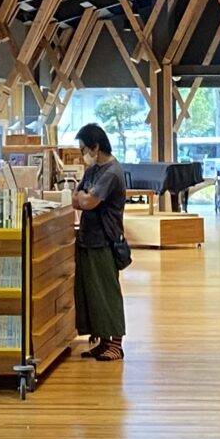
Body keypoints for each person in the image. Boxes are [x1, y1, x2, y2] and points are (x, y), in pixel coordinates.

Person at [72, 123, 129, 361]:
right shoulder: (93, 170)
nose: (83, 154)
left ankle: (115, 344)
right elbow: (76, 198)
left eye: (84, 149)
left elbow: (88, 202)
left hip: (105, 241)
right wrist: (83, 197)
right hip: (88, 238)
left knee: (108, 292)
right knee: (93, 293)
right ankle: (103, 341)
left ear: (95, 147)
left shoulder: (111, 172)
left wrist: (84, 197)